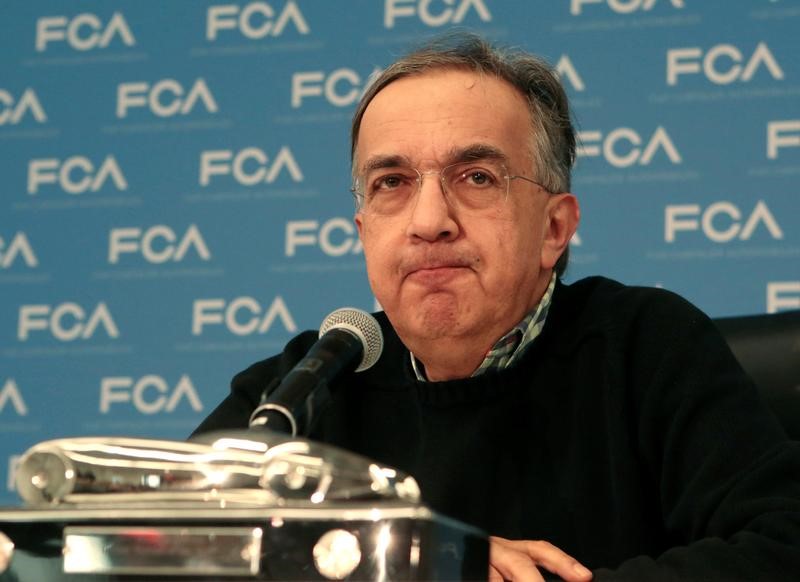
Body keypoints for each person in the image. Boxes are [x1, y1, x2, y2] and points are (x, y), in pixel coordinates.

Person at [193, 33, 800, 580]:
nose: (428, 222)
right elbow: (148, 540)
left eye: (477, 177)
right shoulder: (314, 380)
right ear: (363, 232)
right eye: (392, 184)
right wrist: (418, 559)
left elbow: (782, 546)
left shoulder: (645, 345)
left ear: (554, 228)